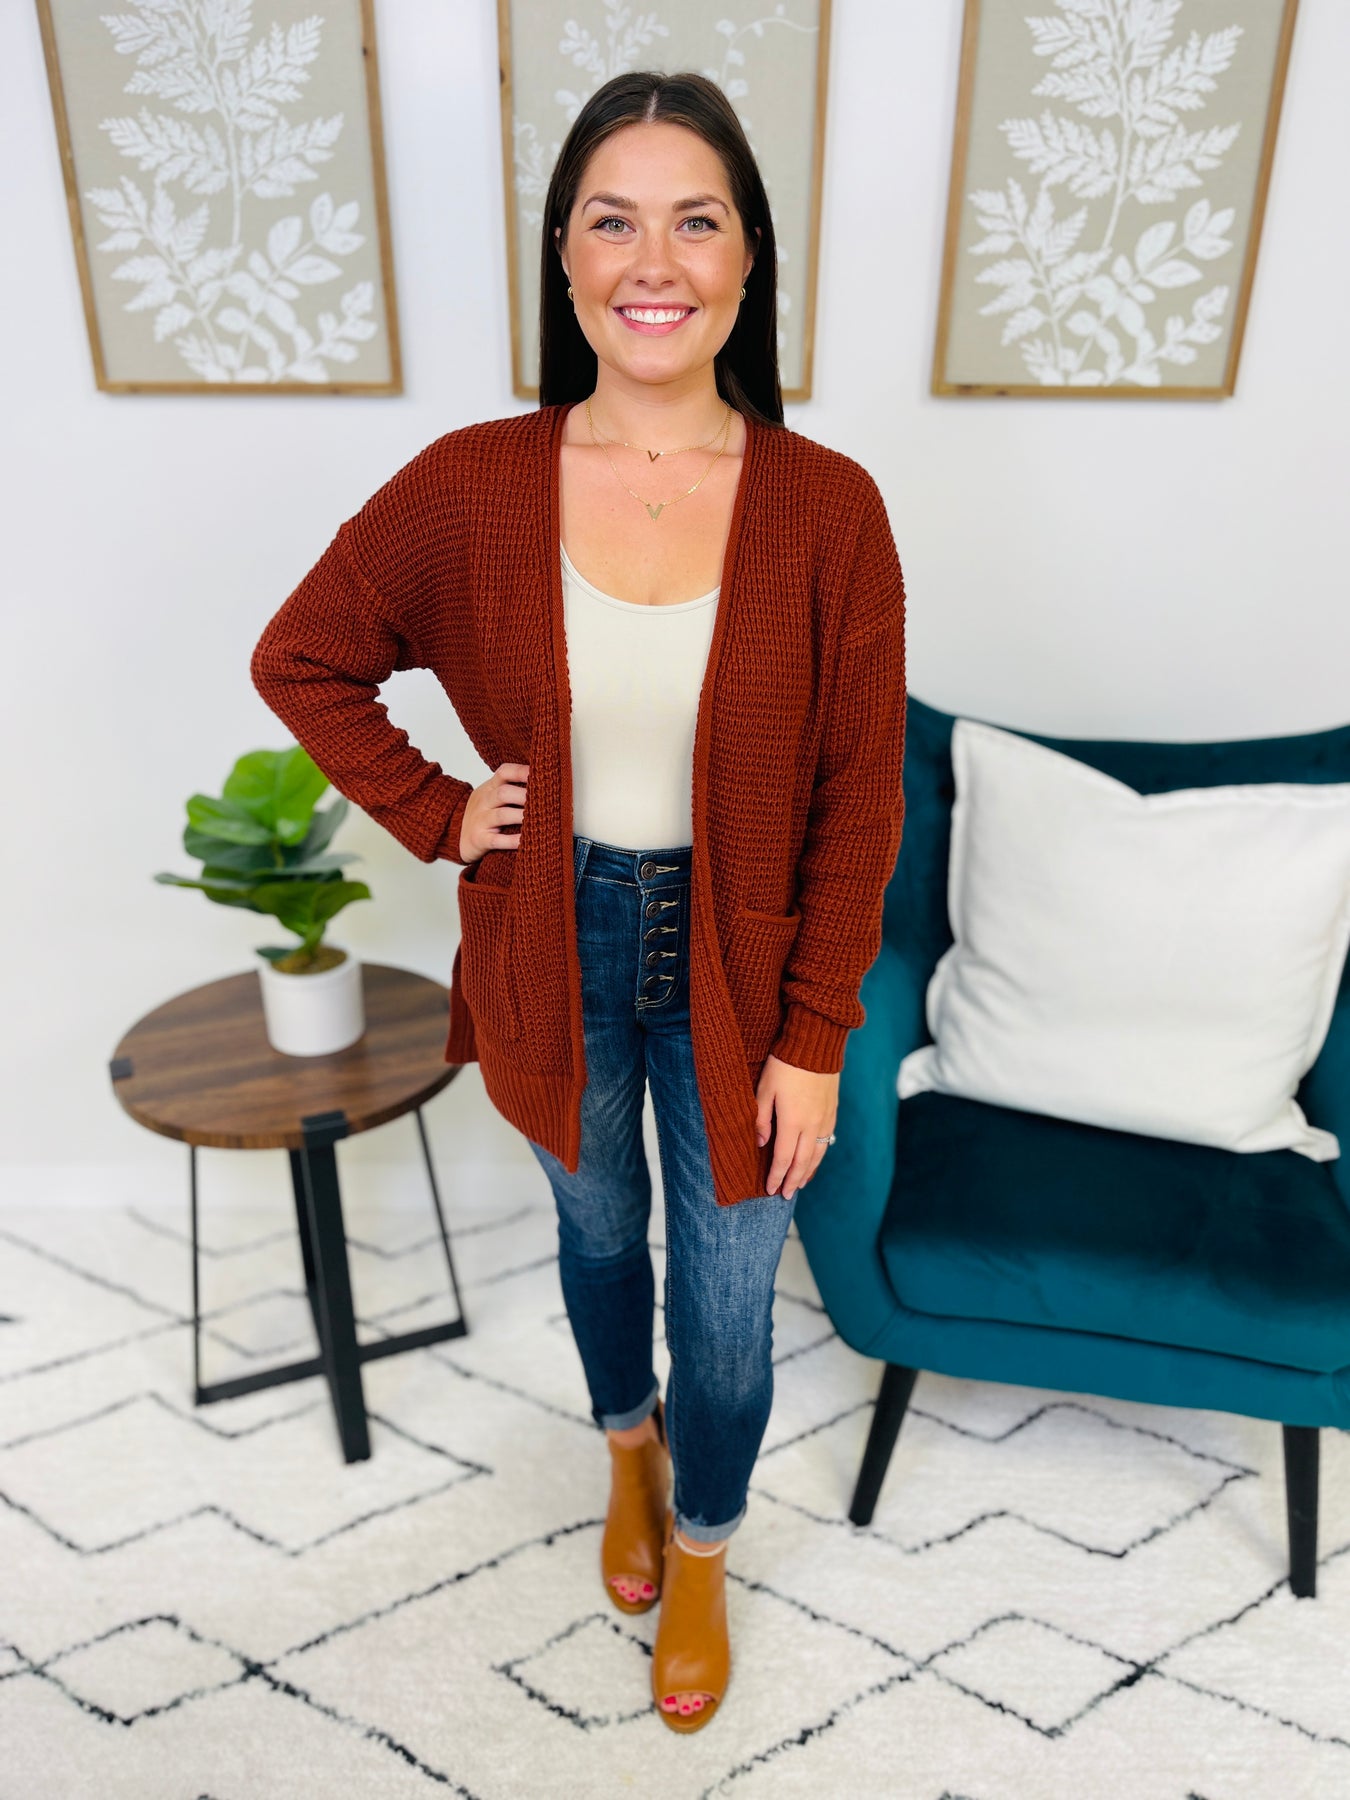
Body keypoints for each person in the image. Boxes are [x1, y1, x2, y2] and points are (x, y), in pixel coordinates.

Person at [251, 70, 906, 1736]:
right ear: (563, 257)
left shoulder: (828, 507)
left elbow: (858, 797)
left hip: (747, 965)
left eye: (696, 220)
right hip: (555, 936)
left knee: (732, 1300)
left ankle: (704, 1545)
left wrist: (815, 1037)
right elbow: (302, 656)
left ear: (748, 258)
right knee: (600, 1237)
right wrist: (438, 811)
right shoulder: (476, 482)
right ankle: (626, 1452)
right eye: (612, 220)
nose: (652, 260)